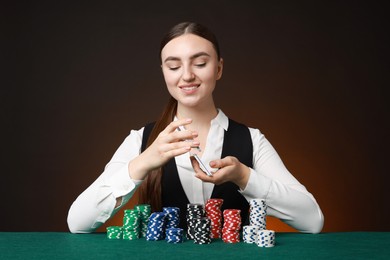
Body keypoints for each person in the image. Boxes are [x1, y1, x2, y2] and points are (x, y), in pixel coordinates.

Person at [67, 22, 324, 234]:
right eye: (174, 66)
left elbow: (312, 221)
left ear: (219, 68)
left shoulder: (252, 140)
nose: (187, 75)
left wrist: (244, 177)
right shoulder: (140, 140)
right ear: (164, 72)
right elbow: (77, 223)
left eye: (200, 63)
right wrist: (143, 162)